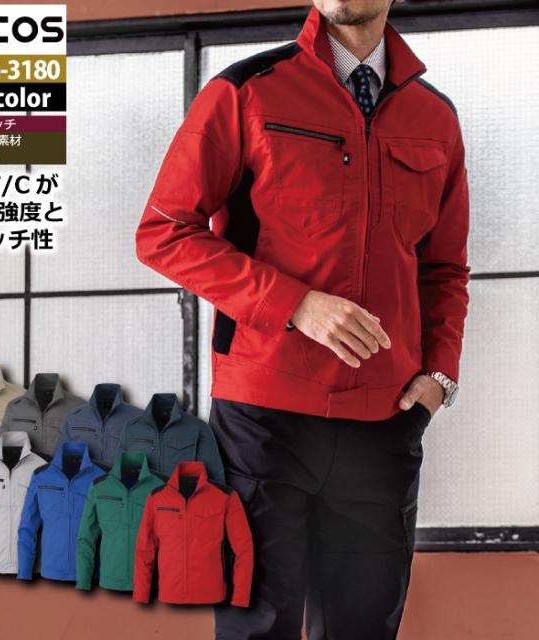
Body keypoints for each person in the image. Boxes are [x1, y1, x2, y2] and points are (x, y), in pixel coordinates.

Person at [135, 0, 470, 638]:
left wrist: (440, 377)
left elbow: (445, 269)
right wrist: (294, 304)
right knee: (256, 628)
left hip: (386, 420)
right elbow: (164, 233)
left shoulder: (436, 117)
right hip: (263, 421)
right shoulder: (245, 92)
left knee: (363, 628)